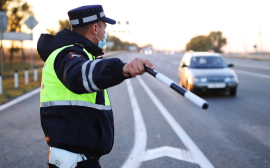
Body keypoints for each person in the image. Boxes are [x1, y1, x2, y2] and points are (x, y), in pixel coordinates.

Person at [37, 5, 154, 168]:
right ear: (95, 28)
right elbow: (78, 75)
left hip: (78, 159)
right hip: (74, 162)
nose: (105, 33)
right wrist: (121, 69)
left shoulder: (80, 54)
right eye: (104, 27)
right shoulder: (68, 54)